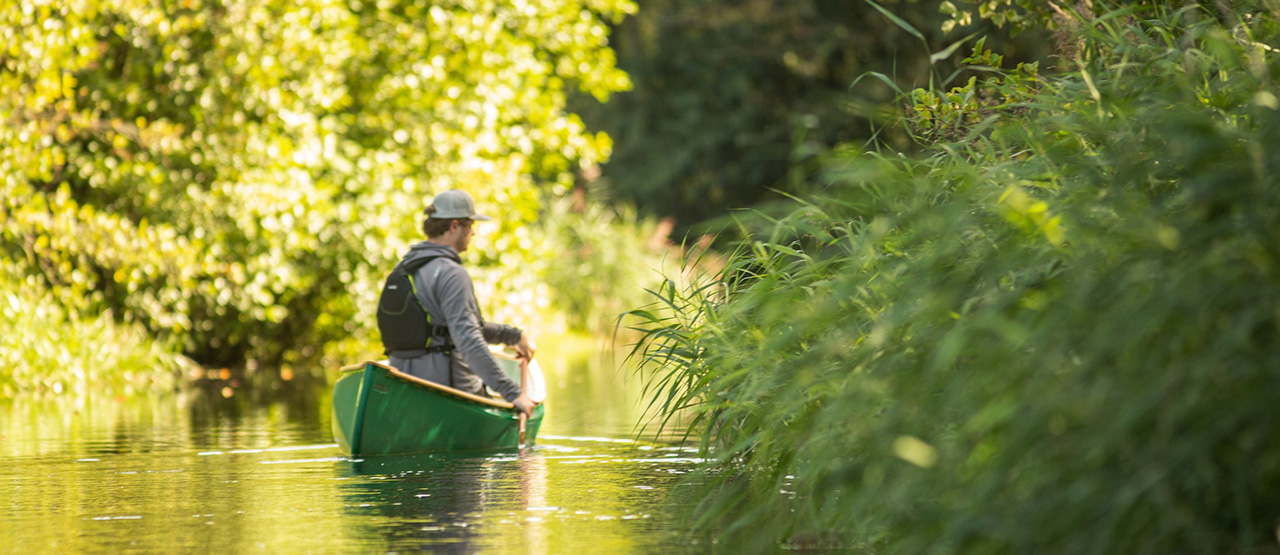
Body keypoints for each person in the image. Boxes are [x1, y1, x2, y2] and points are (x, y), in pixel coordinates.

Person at [376, 189, 538, 416]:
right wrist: (513, 394)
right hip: (449, 394)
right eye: (470, 225)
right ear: (454, 226)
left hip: (406, 391)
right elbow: (468, 338)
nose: (473, 232)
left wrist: (511, 336)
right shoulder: (451, 274)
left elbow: (447, 328)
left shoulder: (405, 269)